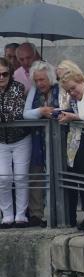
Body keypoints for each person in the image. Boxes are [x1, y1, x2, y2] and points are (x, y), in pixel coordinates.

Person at [59, 69, 84, 232]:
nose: (72, 93)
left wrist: (73, 117)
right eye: (69, 91)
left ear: (82, 81)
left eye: (73, 88)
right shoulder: (79, 95)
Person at [22, 60, 59, 227]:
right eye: (36, 80)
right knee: (36, 174)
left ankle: (59, 214)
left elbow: (63, 108)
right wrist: (41, 111)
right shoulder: (34, 92)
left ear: (50, 78)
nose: (39, 83)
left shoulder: (59, 89)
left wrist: (52, 111)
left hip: (57, 138)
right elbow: (26, 114)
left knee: (56, 174)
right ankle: (36, 213)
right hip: (38, 139)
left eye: (42, 79)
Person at [0, 58, 31, 229]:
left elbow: (15, 112)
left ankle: (21, 215)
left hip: (20, 138)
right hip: (1, 141)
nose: (1, 77)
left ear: (10, 74)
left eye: (5, 74)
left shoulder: (18, 87)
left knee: (20, 177)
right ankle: (7, 215)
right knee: (3, 177)